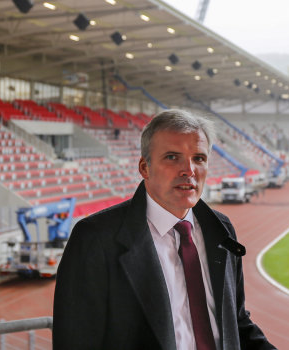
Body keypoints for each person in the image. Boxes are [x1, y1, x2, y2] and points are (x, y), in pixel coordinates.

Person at [54, 109, 275, 350]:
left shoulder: (221, 230)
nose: (189, 170)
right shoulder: (95, 238)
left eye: (199, 158)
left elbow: (237, 323)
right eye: (172, 157)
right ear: (144, 167)